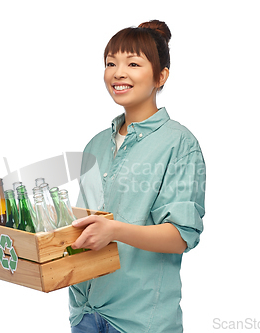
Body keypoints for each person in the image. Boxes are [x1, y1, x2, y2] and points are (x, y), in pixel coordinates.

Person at [69, 20, 206, 333]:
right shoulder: (96, 144)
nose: (119, 72)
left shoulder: (179, 143)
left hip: (140, 321)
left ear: (161, 76)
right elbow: (85, 223)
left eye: (133, 63)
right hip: (85, 314)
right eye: (111, 63)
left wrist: (115, 230)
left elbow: (182, 236)